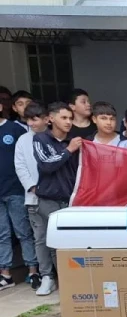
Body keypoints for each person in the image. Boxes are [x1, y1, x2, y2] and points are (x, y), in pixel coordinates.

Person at [32, 102, 82, 296]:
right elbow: (46, 165)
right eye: (64, 118)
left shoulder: (74, 141)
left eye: (70, 118)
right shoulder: (41, 138)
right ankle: (48, 277)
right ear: (51, 119)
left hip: (69, 200)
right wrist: (69, 150)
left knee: (66, 243)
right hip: (48, 198)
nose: (68, 122)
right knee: (47, 240)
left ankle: (67, 281)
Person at [0, 97, 32, 291]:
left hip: (15, 190)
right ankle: (5, 275)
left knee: (23, 232)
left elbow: (25, 158)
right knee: (2, 234)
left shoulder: (14, 129)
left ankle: (33, 271)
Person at [14, 101, 47, 290]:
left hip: (57, 196)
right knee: (39, 238)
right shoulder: (23, 140)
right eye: (29, 120)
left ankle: (62, 274)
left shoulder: (54, 136)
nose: (32, 123)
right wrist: (32, 187)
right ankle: (45, 275)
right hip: (34, 197)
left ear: (46, 119)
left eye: (35, 119)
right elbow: (20, 166)